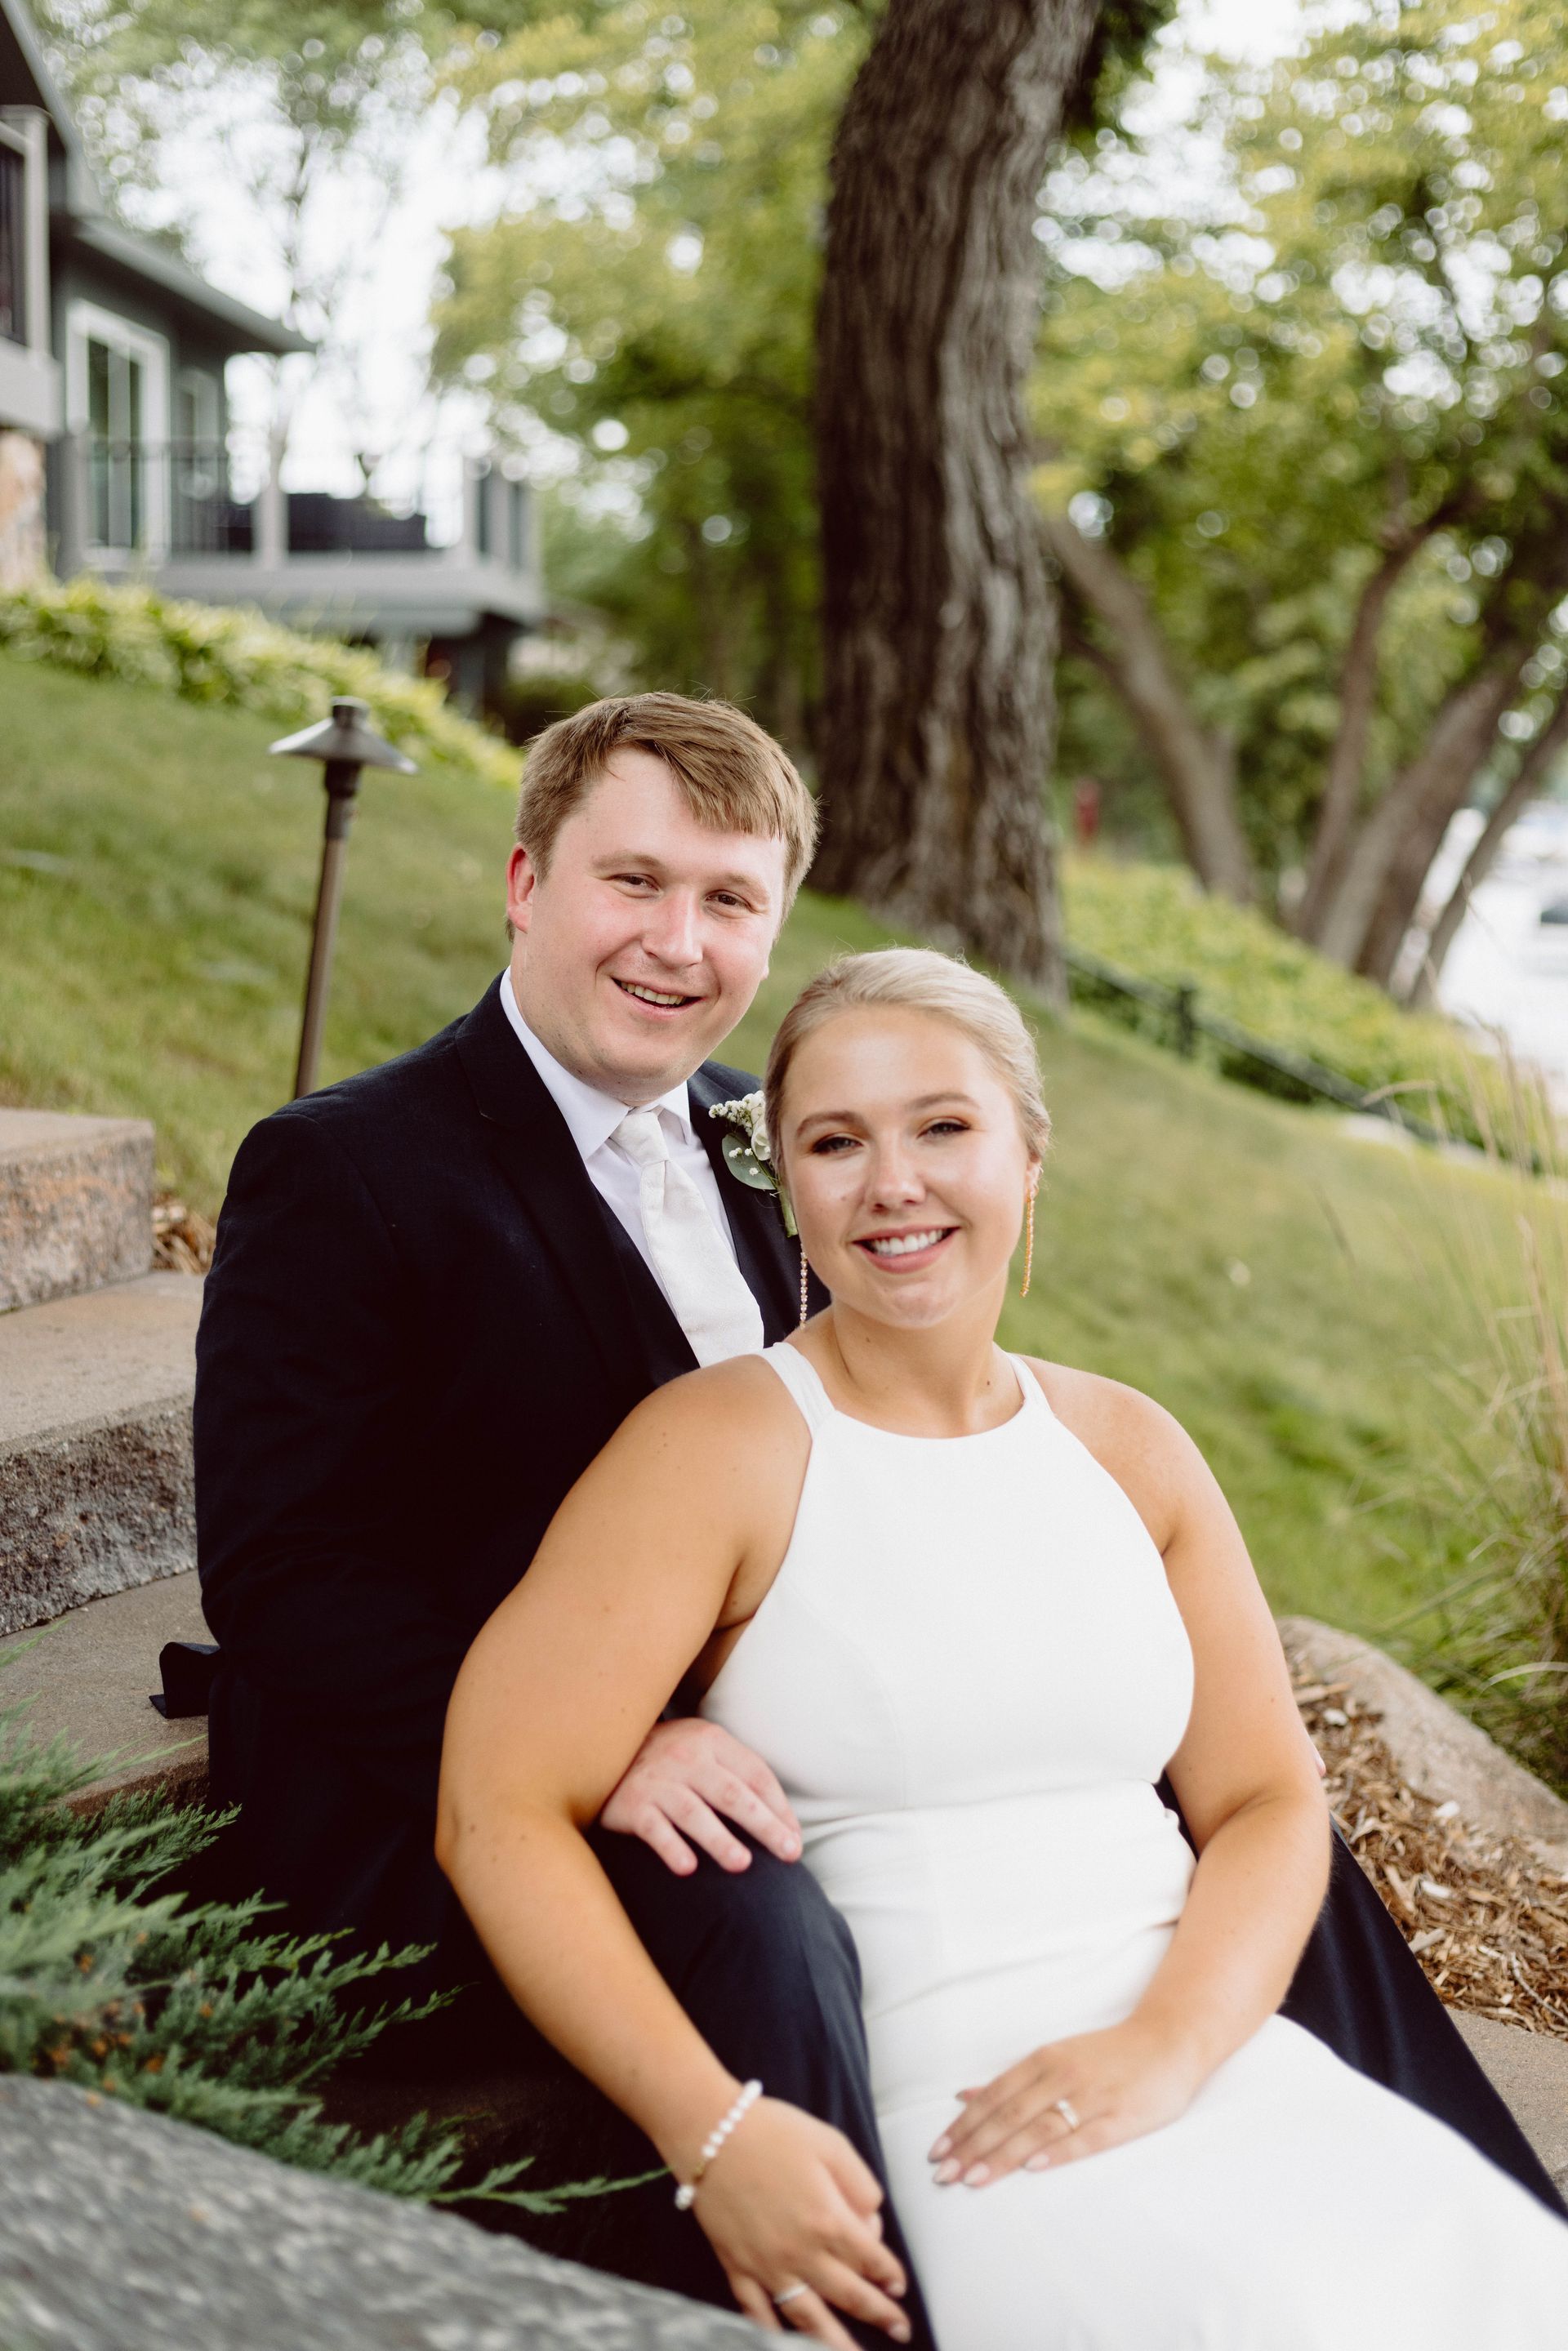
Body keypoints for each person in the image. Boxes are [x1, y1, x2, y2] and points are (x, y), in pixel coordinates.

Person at [195, 700, 1555, 2337]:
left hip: (788, 1704)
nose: (676, 940)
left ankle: (1450, 2187)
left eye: (728, 901)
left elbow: (872, 1445)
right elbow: (282, 1571)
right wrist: (615, 1742)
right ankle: (849, 2281)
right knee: (756, 1896)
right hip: (439, 1765)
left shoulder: (754, 1157)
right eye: (634, 883)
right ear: (525, 881)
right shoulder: (349, 1169)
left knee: (1269, 1854)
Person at [437, 946, 1568, 2349]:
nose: (891, 1183)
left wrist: (1168, 2050)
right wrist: (714, 2130)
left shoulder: (1132, 1447)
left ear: (1030, 1158)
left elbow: (1272, 1802)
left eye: (943, 1127)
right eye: (835, 1143)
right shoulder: (717, 1450)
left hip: (1218, 2068)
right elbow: (498, 1809)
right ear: (788, 1186)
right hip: (957, 2132)